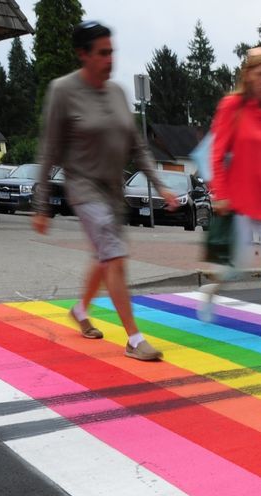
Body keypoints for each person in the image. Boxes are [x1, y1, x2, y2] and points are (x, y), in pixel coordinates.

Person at [32, 20, 179, 361]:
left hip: (114, 191)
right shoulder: (63, 91)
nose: (110, 59)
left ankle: (81, 310)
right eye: (102, 53)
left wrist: (161, 186)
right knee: (113, 255)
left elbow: (137, 146)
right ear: (83, 55)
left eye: (112, 52)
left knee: (105, 255)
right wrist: (41, 206)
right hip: (83, 187)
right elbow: (49, 150)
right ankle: (134, 339)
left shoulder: (117, 93)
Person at [201, 46, 261, 338]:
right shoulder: (232, 106)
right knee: (234, 265)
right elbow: (216, 154)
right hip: (239, 200)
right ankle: (210, 292)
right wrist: (219, 192)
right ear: (248, 74)